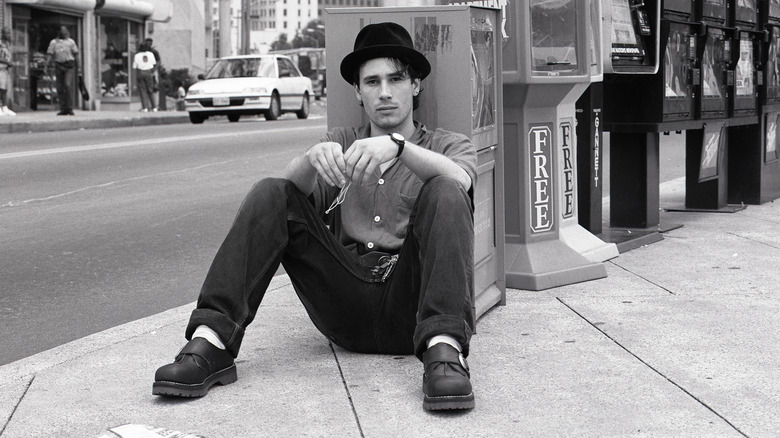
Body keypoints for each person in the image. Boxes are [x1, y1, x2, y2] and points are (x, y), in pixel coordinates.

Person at [153, 22, 477, 411]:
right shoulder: (340, 143)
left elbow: (460, 181)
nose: (385, 92)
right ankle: (211, 343)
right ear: (357, 92)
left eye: (396, 79)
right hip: (343, 302)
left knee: (445, 187)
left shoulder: (446, 145)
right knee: (272, 189)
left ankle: (446, 354)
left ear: (416, 85)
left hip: (411, 306)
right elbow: (287, 194)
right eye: (372, 82)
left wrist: (399, 148)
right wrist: (309, 161)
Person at [45, 26, 79, 116]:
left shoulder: (71, 42)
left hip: (69, 65)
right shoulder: (53, 42)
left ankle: (69, 108)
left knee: (67, 85)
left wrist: (79, 66)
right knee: (60, 87)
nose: (64, 33)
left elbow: (76, 54)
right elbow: (50, 54)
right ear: (59, 33)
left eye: (65, 31)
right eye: (62, 31)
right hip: (59, 65)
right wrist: (46, 65)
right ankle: (63, 108)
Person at [133, 43, 157, 112]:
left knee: (143, 90)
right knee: (150, 89)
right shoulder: (150, 54)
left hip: (140, 72)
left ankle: (145, 107)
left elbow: (135, 66)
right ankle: (154, 107)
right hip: (148, 72)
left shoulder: (137, 55)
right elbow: (153, 64)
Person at [0, 28, 15, 116]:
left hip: (5, 69)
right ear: (2, 34)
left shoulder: (8, 44)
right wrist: (7, 62)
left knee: (5, 89)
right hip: (0, 68)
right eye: (6, 33)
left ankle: (5, 107)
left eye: (9, 33)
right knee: (0, 89)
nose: (8, 35)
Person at [144, 38, 161, 109]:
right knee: (146, 88)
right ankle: (148, 105)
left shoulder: (154, 52)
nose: (148, 44)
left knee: (154, 87)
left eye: (149, 43)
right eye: (147, 43)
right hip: (146, 71)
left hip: (152, 71)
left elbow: (158, 62)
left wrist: (154, 69)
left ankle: (155, 105)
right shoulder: (143, 52)